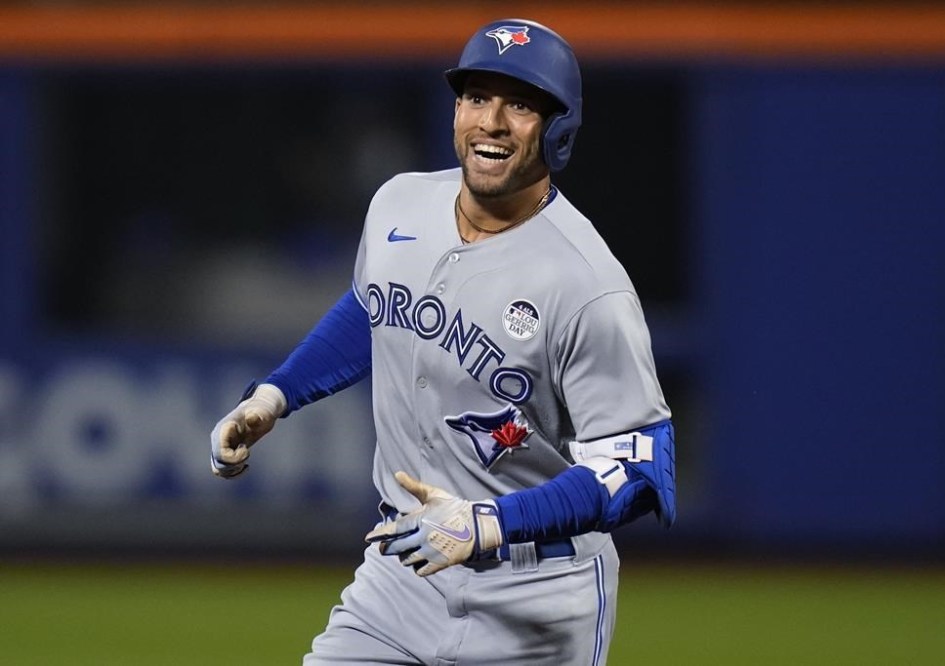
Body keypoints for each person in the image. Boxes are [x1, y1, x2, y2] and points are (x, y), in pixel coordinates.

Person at [209, 18, 675, 666]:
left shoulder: (588, 284)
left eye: (520, 105)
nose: (492, 122)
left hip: (537, 595)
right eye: (477, 97)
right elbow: (374, 307)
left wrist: (490, 525)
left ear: (558, 130)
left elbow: (639, 468)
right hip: (400, 572)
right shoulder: (399, 204)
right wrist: (274, 395)